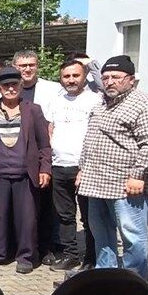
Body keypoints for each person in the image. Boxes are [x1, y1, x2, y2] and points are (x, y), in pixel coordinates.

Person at [79, 55, 148, 278]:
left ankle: (132, 282)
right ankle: (106, 278)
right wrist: (82, 169)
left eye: (116, 77)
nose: (109, 82)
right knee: (101, 234)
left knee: (132, 236)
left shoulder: (145, 105)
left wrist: (138, 174)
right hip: (96, 183)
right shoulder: (101, 104)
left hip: (127, 186)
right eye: (106, 77)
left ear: (131, 79)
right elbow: (91, 140)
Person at [0, 67, 51, 274]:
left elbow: (44, 144)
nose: (10, 89)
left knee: (26, 219)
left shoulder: (33, 110)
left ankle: (26, 256)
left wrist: (45, 168)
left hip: (25, 174)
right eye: (5, 85)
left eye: (14, 84)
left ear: (21, 85)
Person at [45, 59, 102, 271]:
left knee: (89, 217)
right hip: (59, 166)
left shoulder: (95, 101)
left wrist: (86, 167)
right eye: (66, 76)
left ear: (84, 76)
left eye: (75, 75)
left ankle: (91, 258)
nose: (71, 80)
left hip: (85, 168)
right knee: (64, 215)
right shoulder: (56, 101)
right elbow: (50, 129)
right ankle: (71, 255)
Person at [13, 50, 65, 265]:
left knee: (46, 204)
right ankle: (22, 245)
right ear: (15, 67)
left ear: (37, 66)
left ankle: (47, 247)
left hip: (43, 153)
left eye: (31, 65)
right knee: (24, 205)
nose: (27, 69)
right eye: (22, 65)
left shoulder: (53, 89)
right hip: (16, 156)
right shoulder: (7, 88)